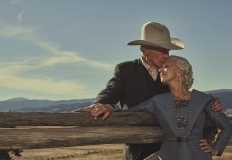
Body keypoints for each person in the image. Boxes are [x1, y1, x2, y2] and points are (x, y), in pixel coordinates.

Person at [75, 22, 222, 160]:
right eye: (163, 50)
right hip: (138, 151)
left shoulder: (169, 72)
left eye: (168, 51)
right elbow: (112, 89)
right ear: (146, 50)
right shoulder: (126, 70)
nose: (167, 55)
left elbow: (186, 99)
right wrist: (102, 103)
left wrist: (209, 103)